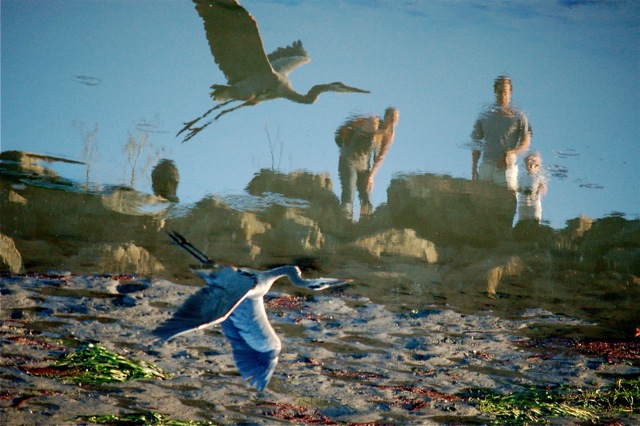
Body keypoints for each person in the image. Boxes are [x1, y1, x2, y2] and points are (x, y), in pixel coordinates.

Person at [335, 108, 399, 220]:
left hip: (364, 167)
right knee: (349, 195)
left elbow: (381, 156)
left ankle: (365, 225)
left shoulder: (389, 134)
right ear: (386, 117)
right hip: (349, 161)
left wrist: (371, 176)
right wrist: (381, 132)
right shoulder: (374, 122)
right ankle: (344, 223)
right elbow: (367, 135)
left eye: (397, 118)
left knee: (366, 197)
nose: (394, 120)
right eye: (392, 117)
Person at [471, 76, 531, 191]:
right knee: (481, 205)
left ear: (510, 93)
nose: (502, 95)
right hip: (486, 166)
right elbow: (476, 142)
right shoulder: (485, 116)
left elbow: (525, 143)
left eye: (505, 92)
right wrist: (474, 168)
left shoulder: (519, 117)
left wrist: (510, 153)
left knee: (507, 205)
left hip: (506, 168)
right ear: (495, 92)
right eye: (500, 92)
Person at [517, 152, 547, 222]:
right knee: (522, 219)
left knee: (534, 220)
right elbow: (519, 186)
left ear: (537, 166)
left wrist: (540, 189)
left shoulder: (538, 176)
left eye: (532, 165)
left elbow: (543, 187)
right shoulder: (523, 176)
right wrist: (520, 189)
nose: (530, 167)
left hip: (534, 203)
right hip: (523, 202)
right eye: (528, 164)